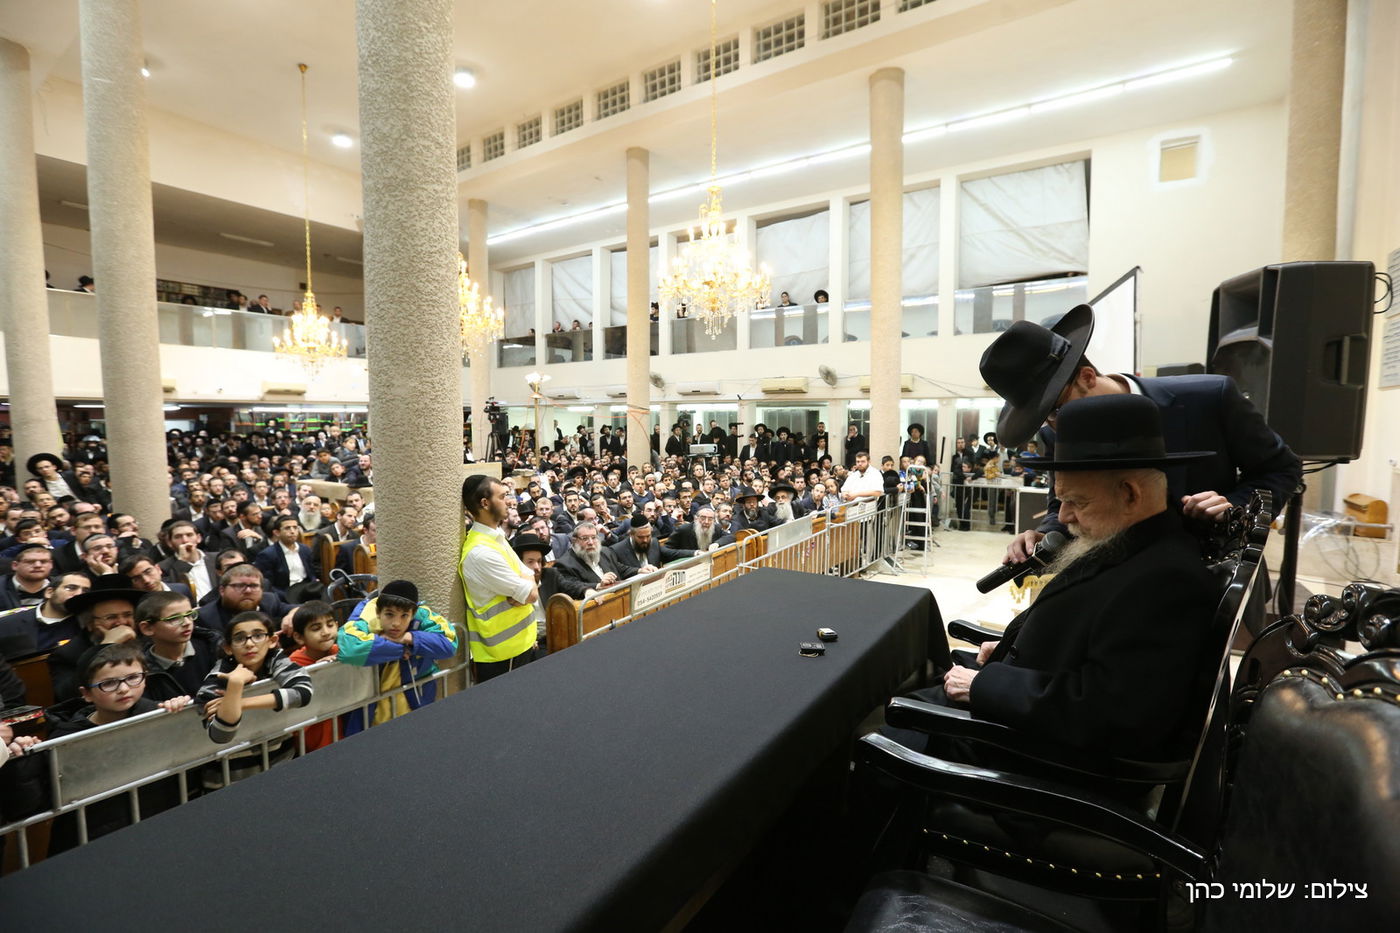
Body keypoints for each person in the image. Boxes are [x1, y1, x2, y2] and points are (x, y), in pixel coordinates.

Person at [904, 395, 1222, 764]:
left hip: (1023, 757)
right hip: (1017, 705)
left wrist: (986, 685)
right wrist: (1010, 646)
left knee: (882, 726)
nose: (1065, 516)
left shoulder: (1167, 580)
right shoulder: (1123, 540)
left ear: (1130, 495)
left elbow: (1113, 714)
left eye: (1077, 502)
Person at [979, 304, 1302, 564]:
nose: (1057, 427)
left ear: (1088, 377)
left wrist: (1232, 509)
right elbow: (1062, 505)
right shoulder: (1057, 432)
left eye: (1056, 410)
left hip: (1211, 575)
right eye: (1045, 419)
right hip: (1117, 586)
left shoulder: (1209, 398)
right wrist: (1044, 534)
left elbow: (1280, 470)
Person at [43, 643, 190, 852]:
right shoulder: (66, 738)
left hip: (158, 826)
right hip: (95, 839)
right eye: (109, 683)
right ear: (86, 694)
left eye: (132, 678)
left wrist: (182, 712)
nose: (123, 689)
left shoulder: (158, 714)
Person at [338, 580, 457, 730]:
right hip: (371, 709)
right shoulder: (367, 610)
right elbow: (351, 647)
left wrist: (409, 638)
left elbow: (449, 644)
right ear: (378, 612)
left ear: (412, 614)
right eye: (389, 615)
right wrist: (400, 649)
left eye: (404, 616)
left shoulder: (422, 613)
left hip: (415, 702)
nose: (396, 623)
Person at [459, 475, 539, 681]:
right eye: (502, 496)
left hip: (521, 643)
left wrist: (526, 582)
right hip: (502, 655)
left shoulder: (495, 536)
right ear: (485, 503)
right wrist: (526, 586)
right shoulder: (480, 553)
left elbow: (530, 575)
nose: (509, 501)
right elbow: (532, 593)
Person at [196, 610, 313, 752]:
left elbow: (303, 692)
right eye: (239, 638)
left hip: (281, 752)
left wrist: (239, 703)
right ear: (228, 648)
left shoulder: (275, 658)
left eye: (258, 636)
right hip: (235, 765)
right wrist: (235, 684)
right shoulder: (218, 676)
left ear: (272, 641)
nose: (249, 644)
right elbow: (221, 735)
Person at [46, 574, 146, 702]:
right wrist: (106, 646)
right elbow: (68, 697)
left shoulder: (148, 638)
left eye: (127, 615)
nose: (121, 622)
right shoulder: (67, 654)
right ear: (89, 623)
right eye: (111, 617)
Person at [135, 590, 222, 701]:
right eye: (174, 618)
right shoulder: (142, 671)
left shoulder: (213, 647)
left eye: (189, 615)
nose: (187, 623)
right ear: (147, 628)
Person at [0, 570, 90, 659]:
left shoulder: (88, 627)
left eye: (85, 591)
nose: (79, 594)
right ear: (49, 592)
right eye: (70, 588)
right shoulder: (7, 623)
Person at [554, 521, 634, 599]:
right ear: (574, 541)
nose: (591, 542)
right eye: (585, 538)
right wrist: (598, 585)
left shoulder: (605, 551)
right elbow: (571, 585)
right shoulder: (564, 564)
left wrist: (639, 570)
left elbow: (620, 568)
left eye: (593, 537)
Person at [254, 515, 320, 601]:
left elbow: (311, 573)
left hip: (307, 590)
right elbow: (267, 585)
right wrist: (286, 596)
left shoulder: (305, 549)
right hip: (285, 593)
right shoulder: (267, 555)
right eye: (287, 528)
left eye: (295, 528)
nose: (292, 531)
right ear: (277, 533)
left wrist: (314, 582)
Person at [610, 514, 697, 574]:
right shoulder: (617, 550)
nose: (645, 540)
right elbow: (620, 570)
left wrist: (694, 553)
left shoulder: (654, 542)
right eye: (640, 537)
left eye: (648, 536)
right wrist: (639, 570)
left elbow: (670, 554)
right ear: (631, 534)